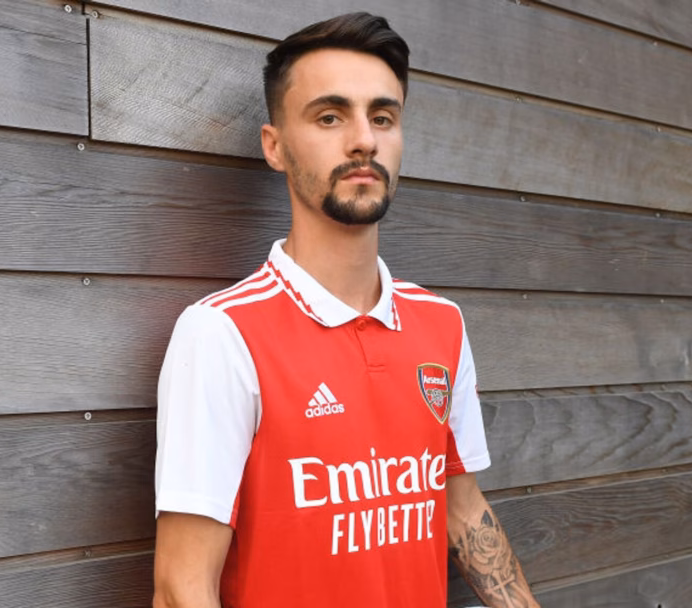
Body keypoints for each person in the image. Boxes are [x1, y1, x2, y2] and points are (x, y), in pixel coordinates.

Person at [153, 12, 540, 608]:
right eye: (330, 116)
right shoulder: (222, 333)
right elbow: (182, 587)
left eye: (382, 117)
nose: (364, 139)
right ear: (274, 146)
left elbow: (460, 509)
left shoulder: (441, 322)